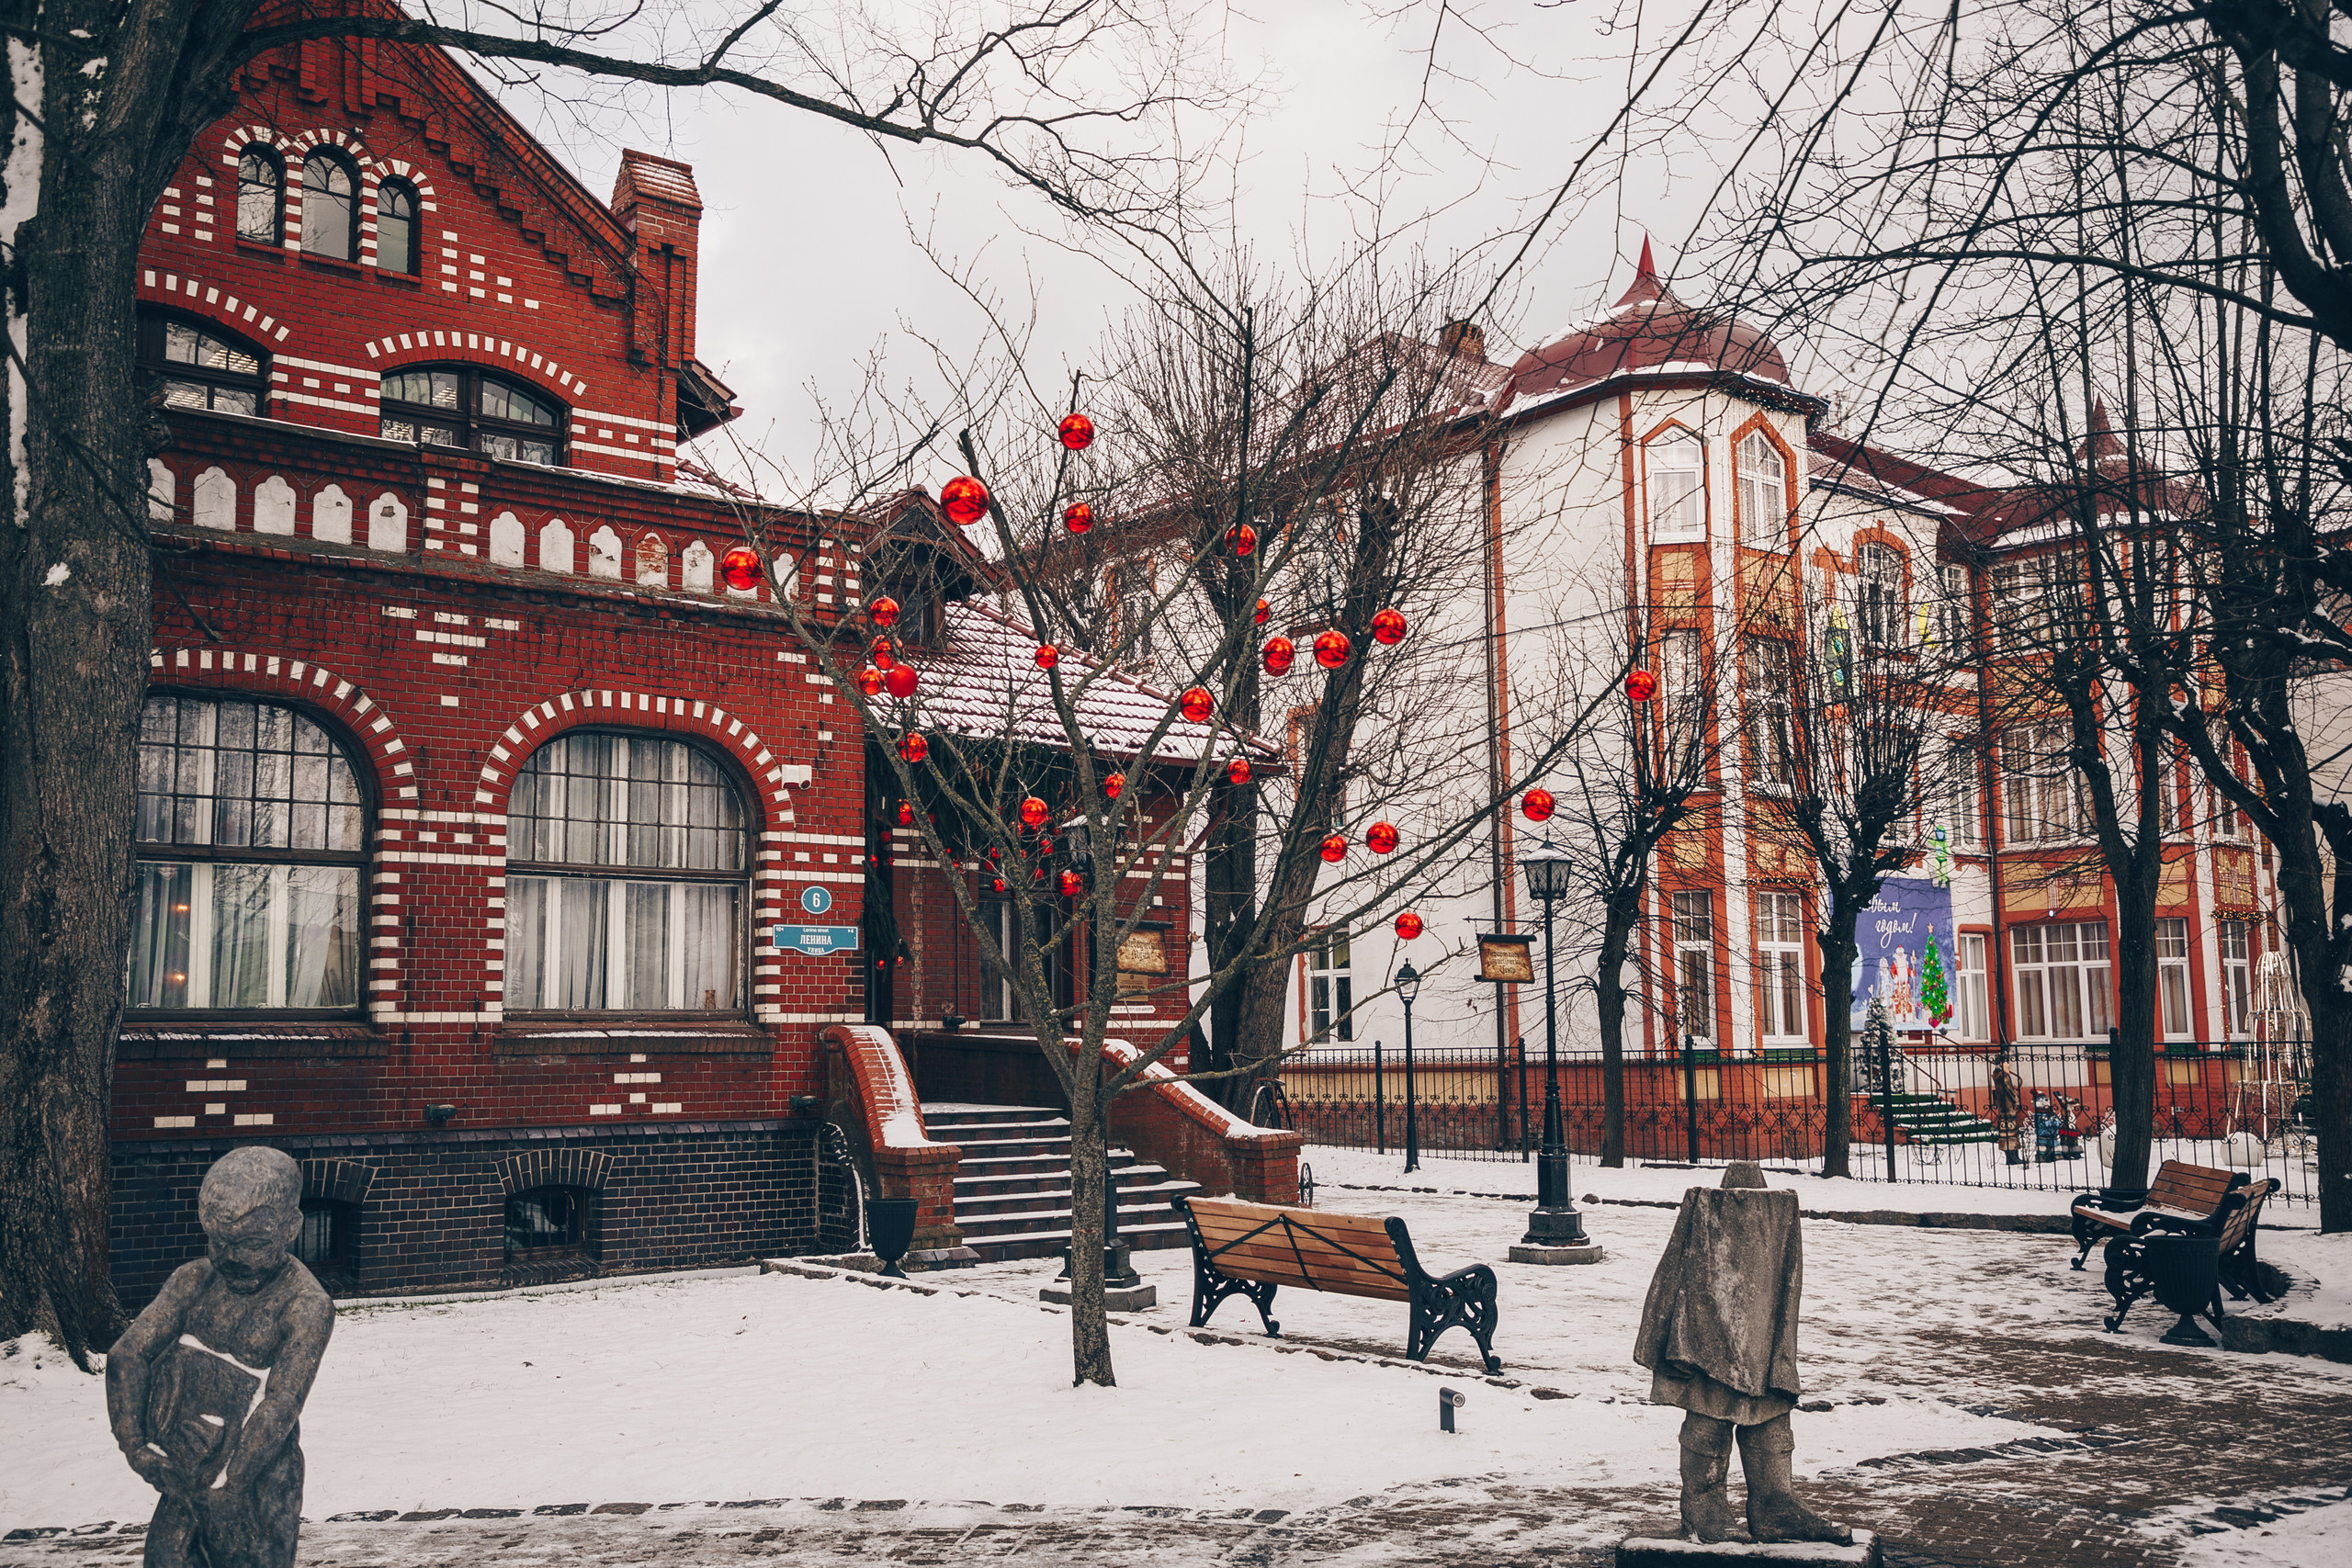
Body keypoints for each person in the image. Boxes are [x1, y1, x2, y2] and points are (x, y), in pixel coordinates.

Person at [107, 1147, 334, 1568]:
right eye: (218, 1241)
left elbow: (281, 1402)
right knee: (166, 1558)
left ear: (291, 1227)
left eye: (250, 1244)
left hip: (258, 1475)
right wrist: (135, 1444)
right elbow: (130, 1352)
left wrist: (233, 1479)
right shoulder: (194, 1280)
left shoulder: (305, 1304)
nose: (230, 1258)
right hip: (187, 1461)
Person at [1634, 1164, 1855, 1547]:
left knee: (1768, 1415)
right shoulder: (1709, 1217)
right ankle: (1703, 1505)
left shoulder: (1774, 1221)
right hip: (1706, 1335)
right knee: (1711, 1410)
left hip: (1763, 1339)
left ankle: (1775, 1506)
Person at [1990, 1056, 2025, 1166]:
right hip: (2009, 1108)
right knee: (2011, 1134)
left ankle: (2011, 1158)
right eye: (2006, 1063)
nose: (2008, 1065)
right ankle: (2013, 1158)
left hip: (2003, 1108)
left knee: (2006, 1134)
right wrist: (2017, 1100)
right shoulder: (2004, 1077)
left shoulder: (1997, 1076)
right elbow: (2010, 1092)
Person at [2032, 1091, 2060, 1162]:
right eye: (2041, 1099)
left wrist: (2055, 1122)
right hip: (2042, 1136)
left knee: (2056, 1148)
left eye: (2045, 1099)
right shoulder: (2037, 1115)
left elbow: (2059, 1122)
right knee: (2042, 1148)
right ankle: (2041, 1156)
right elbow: (2040, 1125)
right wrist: (2050, 1122)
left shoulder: (2051, 1113)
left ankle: (2056, 1155)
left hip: (2053, 1136)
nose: (2045, 1101)